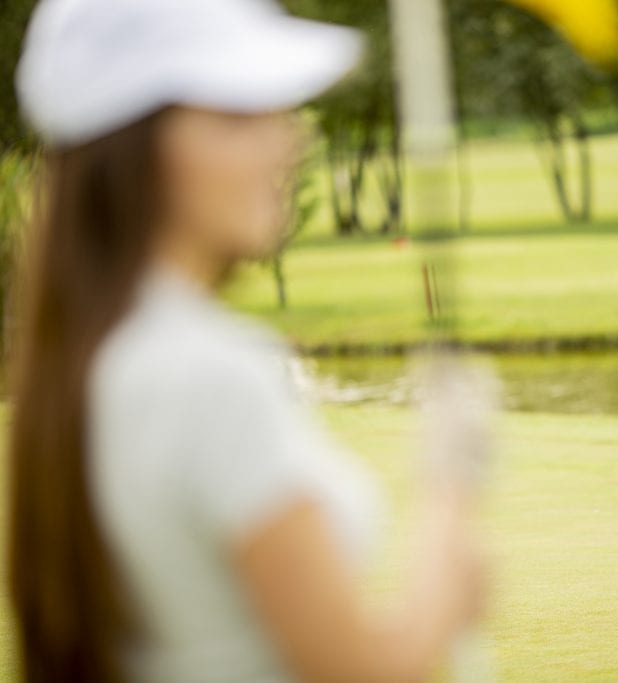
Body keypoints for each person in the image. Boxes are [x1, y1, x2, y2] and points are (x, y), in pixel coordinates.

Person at [9, 0, 486, 679]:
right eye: (239, 114)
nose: (288, 140)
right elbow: (362, 669)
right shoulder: (212, 372)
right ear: (138, 148)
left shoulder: (86, 350)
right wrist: (450, 503)